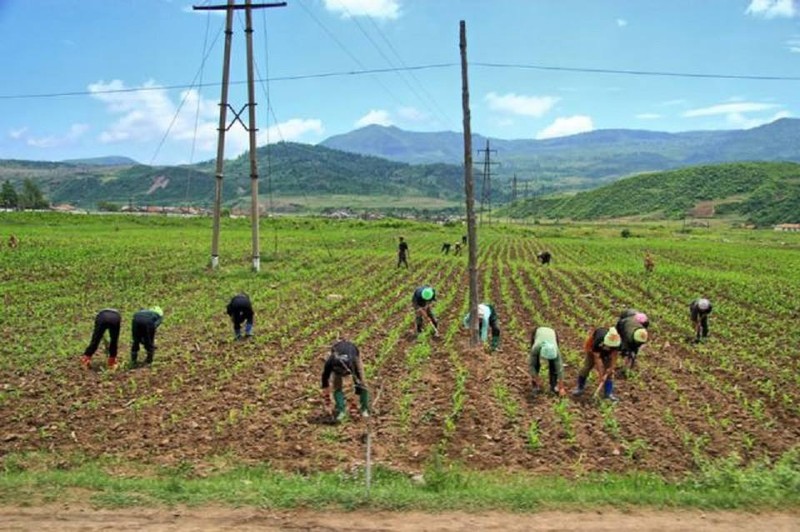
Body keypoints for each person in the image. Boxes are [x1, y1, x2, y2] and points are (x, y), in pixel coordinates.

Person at [321, 338, 369, 422]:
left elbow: (358, 384)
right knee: (337, 386)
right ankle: (341, 411)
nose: (342, 376)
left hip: (353, 353)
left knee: (362, 383)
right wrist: (326, 397)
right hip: (338, 353)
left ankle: (364, 408)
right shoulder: (330, 362)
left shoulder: (352, 363)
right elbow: (325, 378)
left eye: (343, 374)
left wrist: (354, 402)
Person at [573, 326, 622, 401]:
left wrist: (611, 368)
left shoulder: (617, 342)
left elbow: (614, 356)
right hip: (593, 350)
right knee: (586, 367)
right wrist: (601, 375)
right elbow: (597, 359)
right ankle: (580, 387)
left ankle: (608, 394)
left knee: (610, 373)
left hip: (607, 354)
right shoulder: (599, 340)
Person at [528, 326, 565, 396]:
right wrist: (535, 377)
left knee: (554, 365)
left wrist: (561, 387)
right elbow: (531, 365)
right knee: (536, 364)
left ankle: (553, 386)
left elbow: (560, 369)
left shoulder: (556, 351)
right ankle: (535, 386)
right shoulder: (536, 347)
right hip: (538, 331)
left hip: (552, 333)